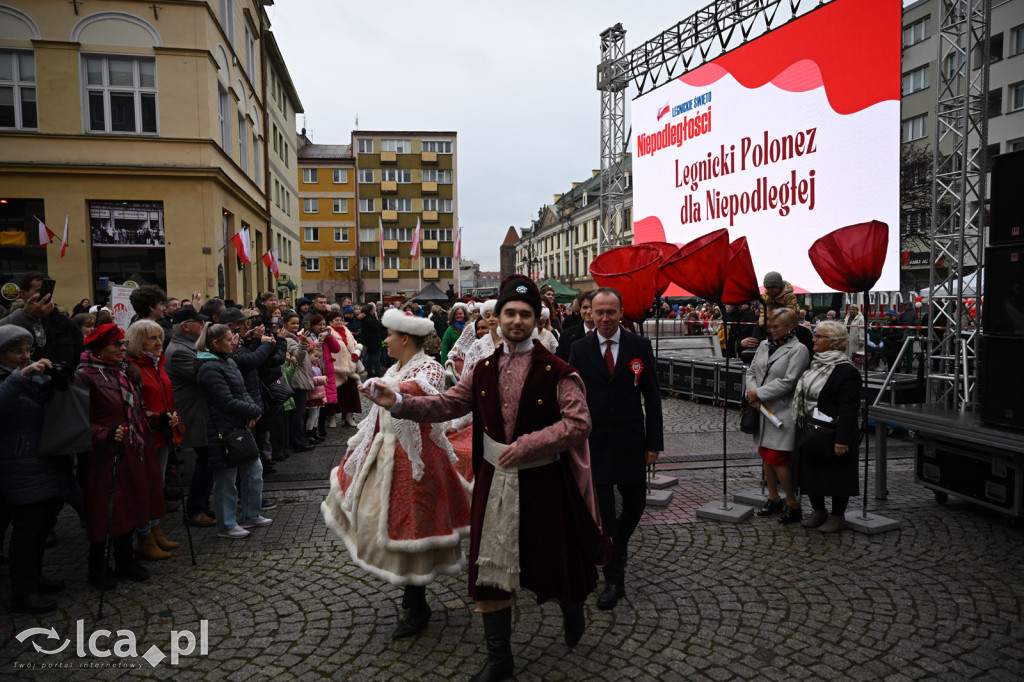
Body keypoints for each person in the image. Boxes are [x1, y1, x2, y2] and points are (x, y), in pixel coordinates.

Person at [364, 276, 606, 679]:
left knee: (553, 559)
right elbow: (447, 404)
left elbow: (579, 424)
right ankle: (499, 660)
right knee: (489, 570)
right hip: (494, 483)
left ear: (534, 320)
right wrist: (401, 402)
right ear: (496, 319)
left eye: (524, 314)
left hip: (544, 481)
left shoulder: (557, 370)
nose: (516, 320)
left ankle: (571, 605)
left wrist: (529, 445)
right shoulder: (483, 369)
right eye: (509, 313)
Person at [322, 309, 471, 640]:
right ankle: (412, 597)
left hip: (416, 461)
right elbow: (382, 410)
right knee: (395, 525)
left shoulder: (427, 367)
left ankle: (416, 605)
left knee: (413, 528)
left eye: (389, 335)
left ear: (405, 339)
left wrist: (387, 385)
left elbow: (418, 388)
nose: (385, 339)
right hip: (388, 456)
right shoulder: (395, 366)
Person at [569, 287, 662, 611]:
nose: (605, 318)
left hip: (630, 441)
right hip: (595, 444)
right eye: (600, 312)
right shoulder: (579, 348)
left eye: (611, 312)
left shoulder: (639, 346)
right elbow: (571, 395)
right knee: (606, 516)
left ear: (621, 313)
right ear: (590, 313)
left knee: (635, 504)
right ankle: (613, 579)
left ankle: (615, 545)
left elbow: (652, 396)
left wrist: (654, 442)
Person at [76, 323, 167, 588]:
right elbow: (77, 421)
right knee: (106, 509)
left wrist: (158, 418)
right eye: (117, 344)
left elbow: (137, 410)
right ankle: (98, 567)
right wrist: (103, 433)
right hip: (103, 454)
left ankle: (125, 560)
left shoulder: (126, 371)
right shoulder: (84, 376)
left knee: (130, 504)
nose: (123, 349)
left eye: (124, 344)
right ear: (99, 348)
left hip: (133, 448)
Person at [0, 326, 73, 613]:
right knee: (26, 531)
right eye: (16, 351)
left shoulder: (26, 376)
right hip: (16, 465)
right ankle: (23, 592)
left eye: (27, 351)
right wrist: (22, 375)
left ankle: (36, 577)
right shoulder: (13, 378)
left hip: (44, 460)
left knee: (43, 526)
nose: (24, 356)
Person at [195, 323, 271, 539]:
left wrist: (253, 409)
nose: (234, 342)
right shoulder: (208, 367)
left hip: (239, 425)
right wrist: (253, 410)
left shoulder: (228, 361)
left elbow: (242, 390)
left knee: (253, 471)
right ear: (216, 343)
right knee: (226, 479)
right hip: (221, 429)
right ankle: (226, 524)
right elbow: (225, 400)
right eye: (229, 339)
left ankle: (250, 514)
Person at [793, 320, 861, 533]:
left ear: (832, 342)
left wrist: (842, 440)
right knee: (811, 472)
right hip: (811, 429)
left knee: (838, 475)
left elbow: (849, 409)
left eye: (819, 336)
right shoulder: (816, 363)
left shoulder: (846, 371)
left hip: (834, 432)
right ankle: (818, 511)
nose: (814, 339)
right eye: (815, 335)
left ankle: (837, 516)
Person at [744, 308, 810, 524]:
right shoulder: (764, 345)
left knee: (778, 458)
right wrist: (752, 393)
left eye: (775, 327)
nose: (770, 330)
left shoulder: (798, 349)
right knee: (766, 455)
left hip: (781, 411)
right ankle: (774, 499)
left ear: (790, 327)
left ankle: (792, 502)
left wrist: (758, 394)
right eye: (769, 327)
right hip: (761, 410)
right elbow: (752, 371)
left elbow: (790, 381)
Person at [125, 320, 180, 560]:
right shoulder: (132, 367)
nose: (159, 343)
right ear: (138, 342)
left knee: (157, 485)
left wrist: (173, 415)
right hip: (143, 435)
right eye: (152, 339)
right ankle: (144, 536)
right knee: (145, 487)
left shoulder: (158, 364)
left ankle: (155, 530)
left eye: (160, 338)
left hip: (162, 432)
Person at [164, 305, 216, 527]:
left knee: (208, 460)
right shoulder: (179, 351)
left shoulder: (188, 346)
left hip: (200, 410)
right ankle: (194, 509)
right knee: (205, 460)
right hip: (193, 412)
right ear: (185, 326)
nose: (202, 325)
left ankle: (201, 504)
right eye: (198, 322)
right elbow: (207, 375)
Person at [281, 311, 316, 453]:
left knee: (299, 414)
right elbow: (297, 358)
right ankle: (299, 442)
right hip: (296, 382)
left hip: (299, 380)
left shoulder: (293, 338)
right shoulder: (288, 340)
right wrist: (302, 344)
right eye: (292, 323)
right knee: (297, 415)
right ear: (284, 324)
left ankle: (299, 440)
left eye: (297, 323)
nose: (296, 326)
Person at [327, 310, 362, 429]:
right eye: (336, 320)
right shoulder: (328, 332)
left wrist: (357, 352)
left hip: (350, 366)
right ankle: (332, 417)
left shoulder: (347, 331)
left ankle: (349, 417)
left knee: (350, 394)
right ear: (331, 321)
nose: (339, 322)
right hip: (336, 367)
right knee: (335, 394)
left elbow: (355, 343)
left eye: (341, 319)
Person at [556, 290, 597, 360]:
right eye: (585, 307)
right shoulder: (566, 335)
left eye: (592, 307)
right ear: (580, 309)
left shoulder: (607, 333)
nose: (588, 311)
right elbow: (559, 362)